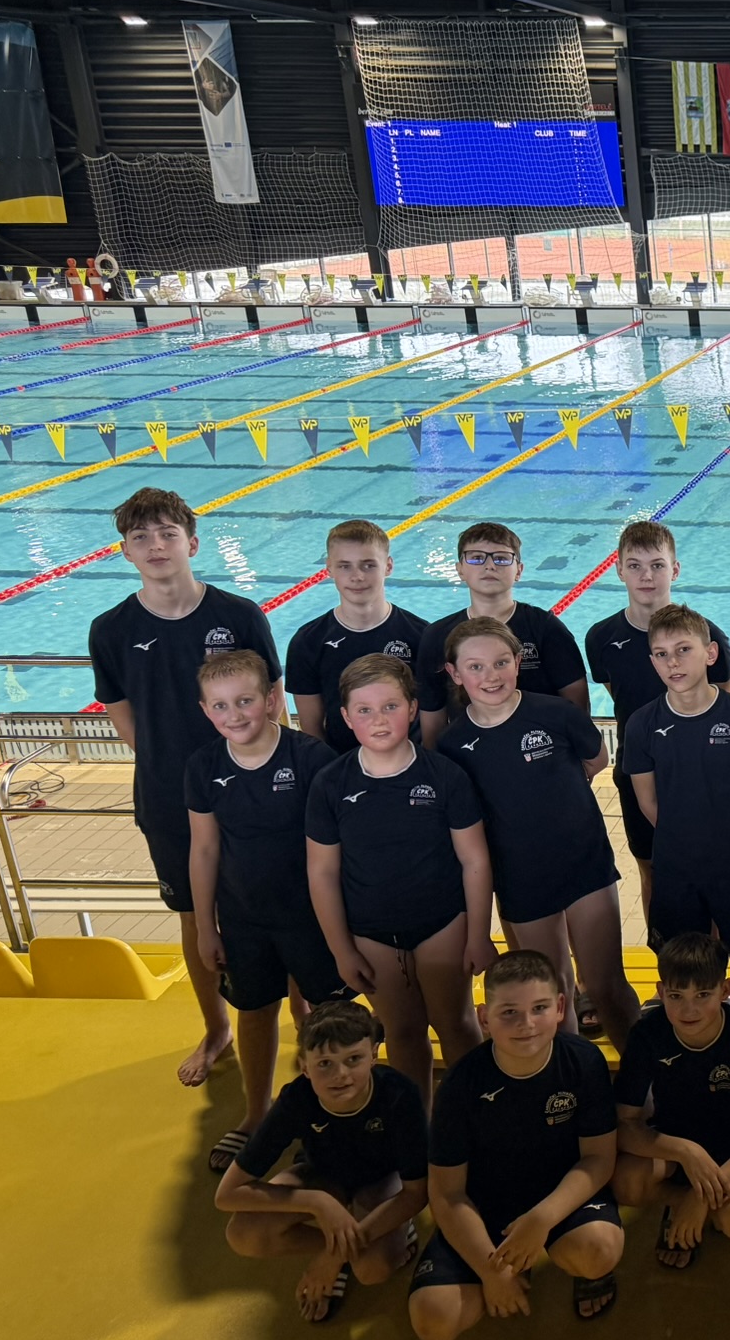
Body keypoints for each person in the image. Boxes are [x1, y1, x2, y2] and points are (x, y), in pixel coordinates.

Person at [89, 486, 282, 1089]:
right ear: (125, 551)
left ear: (191, 543)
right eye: (140, 537)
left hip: (251, 791)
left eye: (167, 533)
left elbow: (272, 697)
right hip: (169, 797)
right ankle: (216, 1027)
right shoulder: (111, 629)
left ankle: (304, 1017)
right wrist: (171, 764)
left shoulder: (239, 615)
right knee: (196, 916)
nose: (155, 545)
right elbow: (122, 714)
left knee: (281, 903)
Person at [305, 655, 494, 1106]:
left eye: (390, 706)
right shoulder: (330, 784)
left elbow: (474, 860)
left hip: (443, 924)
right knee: (402, 1031)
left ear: (411, 709)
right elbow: (322, 872)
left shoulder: (444, 776)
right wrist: (341, 950)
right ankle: (418, 1124)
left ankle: (473, 1116)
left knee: (456, 1024)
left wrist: (478, 934)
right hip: (370, 934)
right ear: (346, 717)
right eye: (364, 710)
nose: (378, 719)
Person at [438, 618, 634, 1049]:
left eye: (500, 662)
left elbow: (595, 761)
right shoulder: (453, 746)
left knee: (606, 983)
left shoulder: (556, 713)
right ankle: (569, 1079)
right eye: (475, 667)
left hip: (585, 866)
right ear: (455, 673)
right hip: (522, 879)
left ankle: (644, 1079)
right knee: (551, 991)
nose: (490, 676)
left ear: (517, 661)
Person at [409, 950, 624, 1339]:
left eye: (539, 1008)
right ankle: (506, 1263)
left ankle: (578, 1267)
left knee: (597, 1250)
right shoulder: (460, 1084)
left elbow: (598, 1159)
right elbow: (447, 1193)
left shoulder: (583, 1062)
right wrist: (489, 1270)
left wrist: (542, 1219)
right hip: (486, 1206)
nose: (526, 1024)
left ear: (561, 1008)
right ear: (484, 1018)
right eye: (509, 1012)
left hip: (560, 1196)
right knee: (434, 1321)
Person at [186, 651, 343, 1173]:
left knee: (327, 1015)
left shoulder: (311, 758)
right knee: (254, 1013)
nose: (234, 714)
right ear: (205, 710)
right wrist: (206, 927)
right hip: (245, 919)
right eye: (220, 706)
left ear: (272, 699)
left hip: (311, 918)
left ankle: (330, 1110)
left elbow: (335, 847)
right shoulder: (204, 767)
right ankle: (257, 1113)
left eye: (245, 701)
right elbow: (204, 849)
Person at [214, 1000, 428, 1323]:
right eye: (325, 1063)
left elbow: (417, 1192)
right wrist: (318, 1203)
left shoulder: (399, 1095)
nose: (341, 1075)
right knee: (244, 1234)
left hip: (381, 1180)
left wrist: (332, 1257)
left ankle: (354, 1246)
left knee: (372, 1268)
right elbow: (227, 1195)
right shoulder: (296, 1099)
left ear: (374, 1055)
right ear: (304, 1066)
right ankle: (341, 1243)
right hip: (321, 1176)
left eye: (353, 1059)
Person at [623, 605, 730, 1017]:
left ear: (710, 654)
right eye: (661, 654)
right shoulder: (642, 724)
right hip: (678, 867)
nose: (672, 662)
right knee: (684, 960)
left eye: (683, 650)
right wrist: (683, 837)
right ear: (652, 661)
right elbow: (647, 801)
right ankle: (693, 1025)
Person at [583, 520, 730, 919]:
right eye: (634, 566)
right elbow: (622, 698)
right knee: (651, 870)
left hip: (701, 776)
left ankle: (711, 957)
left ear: (675, 569)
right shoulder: (601, 638)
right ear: (619, 570)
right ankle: (664, 953)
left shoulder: (708, 637)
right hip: (637, 772)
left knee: (711, 871)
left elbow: (727, 712)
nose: (646, 576)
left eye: (657, 565)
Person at [613, 933, 730, 1270]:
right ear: (661, 992)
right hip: (674, 1147)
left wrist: (699, 1197)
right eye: (676, 996)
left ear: (725, 990)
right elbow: (624, 1125)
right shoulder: (648, 1035)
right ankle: (682, 1205)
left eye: (702, 995)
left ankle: (695, 1205)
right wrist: (686, 1152)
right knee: (625, 1182)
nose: (689, 1009)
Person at [414, 522, 588, 748]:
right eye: (476, 558)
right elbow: (433, 716)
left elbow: (576, 703)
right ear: (460, 569)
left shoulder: (545, 627)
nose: (489, 566)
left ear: (519, 570)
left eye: (502, 558)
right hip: (468, 756)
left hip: (541, 751)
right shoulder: (437, 635)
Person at [283, 520, 429, 754]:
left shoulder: (421, 636)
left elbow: (434, 718)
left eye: (368, 565)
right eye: (344, 566)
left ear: (388, 566)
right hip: (339, 764)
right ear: (329, 569)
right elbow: (312, 729)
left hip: (411, 761)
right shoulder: (307, 642)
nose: (357, 576)